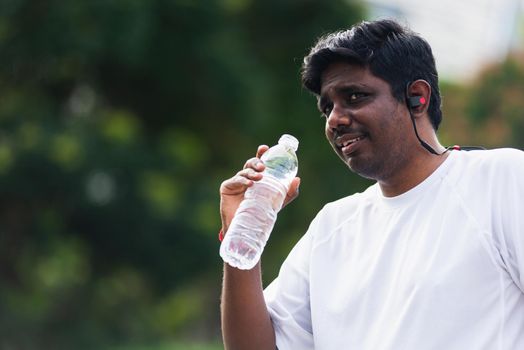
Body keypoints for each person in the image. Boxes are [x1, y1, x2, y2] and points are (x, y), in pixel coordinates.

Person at [219, 19, 524, 349]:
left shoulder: (501, 179)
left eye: (354, 96)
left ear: (416, 97)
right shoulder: (331, 227)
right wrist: (241, 239)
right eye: (327, 108)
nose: (335, 119)